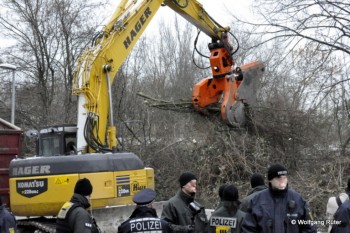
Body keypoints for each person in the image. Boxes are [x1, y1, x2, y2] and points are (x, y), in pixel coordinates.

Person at [242, 163, 317, 233]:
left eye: (284, 178)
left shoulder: (298, 199)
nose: (282, 181)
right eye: (278, 178)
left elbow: (310, 227)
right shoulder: (257, 201)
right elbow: (248, 229)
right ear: (270, 180)